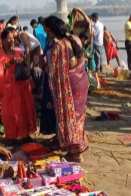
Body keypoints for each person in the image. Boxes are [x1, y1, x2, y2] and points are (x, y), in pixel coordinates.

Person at [44, 16, 89, 162]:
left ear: (52, 31)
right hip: (81, 81)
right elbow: (82, 59)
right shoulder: (74, 39)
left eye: (47, 30)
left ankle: (75, 153)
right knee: (79, 119)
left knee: (70, 119)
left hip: (70, 86)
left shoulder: (59, 47)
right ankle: (77, 148)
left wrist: (44, 60)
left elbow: (52, 69)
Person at [0, 27, 37, 142]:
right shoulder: (0, 54)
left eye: (12, 38)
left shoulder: (18, 50)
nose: (11, 40)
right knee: (11, 112)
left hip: (21, 86)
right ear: (2, 40)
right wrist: (11, 62)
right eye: (8, 38)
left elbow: (26, 66)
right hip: (8, 89)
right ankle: (12, 136)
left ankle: (25, 134)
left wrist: (27, 54)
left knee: (24, 109)